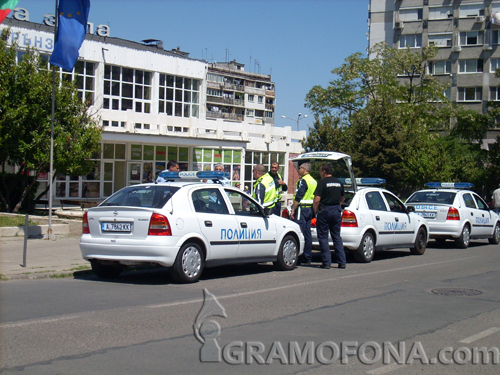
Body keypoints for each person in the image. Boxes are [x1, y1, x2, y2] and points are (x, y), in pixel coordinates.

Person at [313, 163, 346, 269]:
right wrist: (337, 206)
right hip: (336, 210)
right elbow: (342, 198)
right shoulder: (339, 182)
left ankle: (327, 262)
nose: (320, 173)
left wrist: (315, 211)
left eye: (320, 171)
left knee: (323, 237)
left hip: (325, 210)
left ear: (324, 171)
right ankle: (342, 262)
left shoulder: (322, 183)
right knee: (336, 236)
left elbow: (317, 200)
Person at [290, 163, 317, 265]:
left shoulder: (303, 180)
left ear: (304, 169)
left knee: (299, 231)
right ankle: (307, 256)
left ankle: (300, 256)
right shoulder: (313, 181)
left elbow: (299, 195)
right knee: (307, 233)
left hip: (302, 208)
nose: (298, 169)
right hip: (310, 209)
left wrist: (293, 209)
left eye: (300, 168)